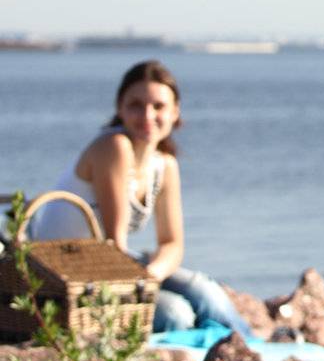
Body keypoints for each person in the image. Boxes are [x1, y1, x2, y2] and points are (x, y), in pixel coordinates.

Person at [28, 59, 251, 337]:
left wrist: (153, 275)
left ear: (175, 112)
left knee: (205, 290)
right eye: (136, 105)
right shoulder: (114, 147)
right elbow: (115, 243)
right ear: (119, 108)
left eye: (158, 106)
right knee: (175, 313)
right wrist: (143, 284)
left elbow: (171, 244)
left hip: (109, 264)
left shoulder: (165, 165)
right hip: (64, 272)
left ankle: (254, 347)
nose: (147, 115)